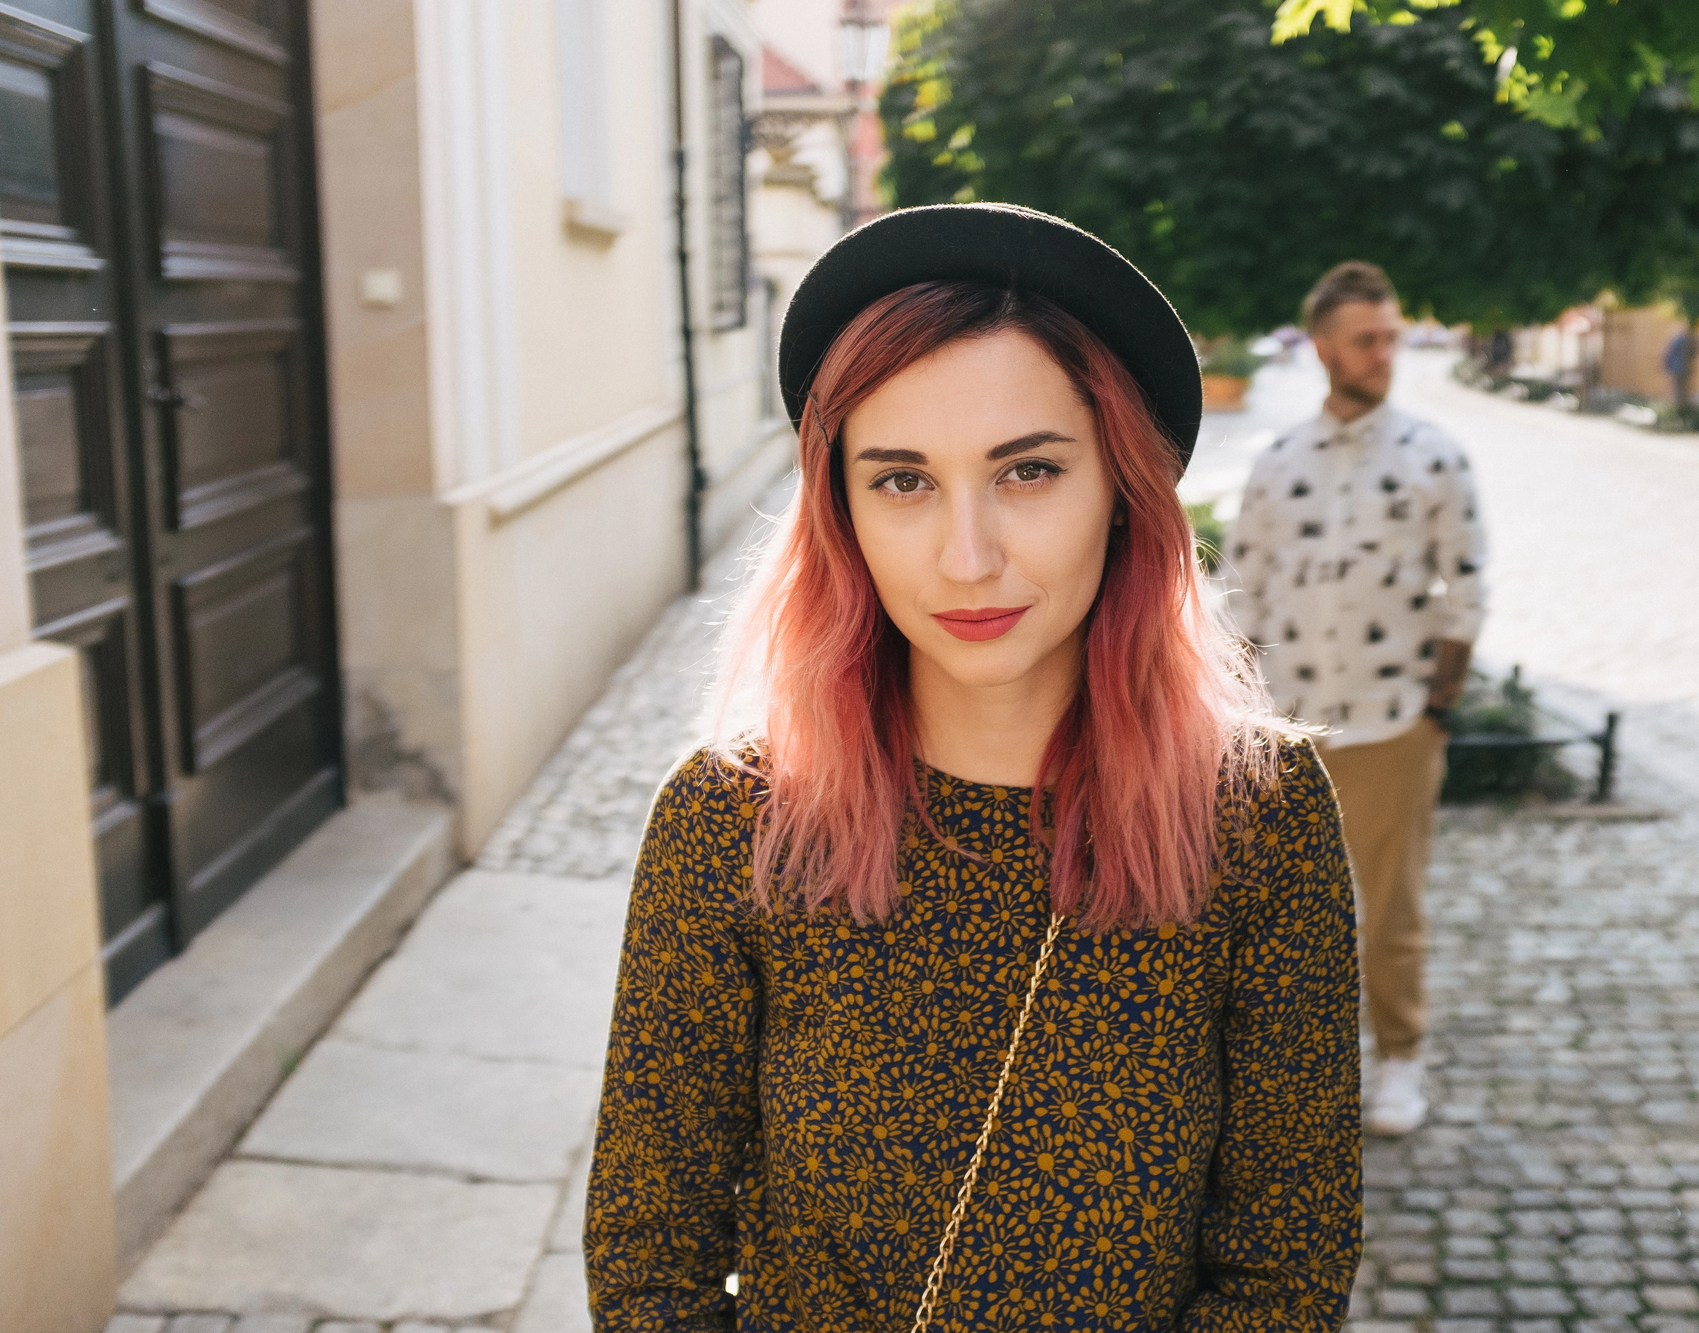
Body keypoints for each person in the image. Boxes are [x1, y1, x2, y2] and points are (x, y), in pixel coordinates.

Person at [585, 204, 1363, 1332]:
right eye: (902, 480)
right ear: (841, 509)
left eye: (1027, 471)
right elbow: (650, 1258)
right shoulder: (735, 820)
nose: (968, 556)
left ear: (1120, 493)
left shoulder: (1257, 816)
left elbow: (1283, 1272)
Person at [1223, 260, 1486, 1138]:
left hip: (1393, 723)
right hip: (1288, 728)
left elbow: (1468, 589)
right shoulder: (1276, 463)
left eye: (1391, 336)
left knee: (1391, 909)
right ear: (1326, 346)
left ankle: (1401, 1058)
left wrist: (1435, 711)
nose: (1383, 353)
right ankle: (1296, 1075)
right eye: (1366, 339)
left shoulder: (1434, 457)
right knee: (1285, 917)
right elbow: (1244, 594)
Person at [1664, 323, 1697, 412]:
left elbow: (1668, 353)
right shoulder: (1690, 340)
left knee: (1678, 389)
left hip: (1676, 367)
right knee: (1681, 389)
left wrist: (1667, 365)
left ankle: (1679, 408)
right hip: (1682, 367)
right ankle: (1680, 409)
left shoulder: (1678, 339)